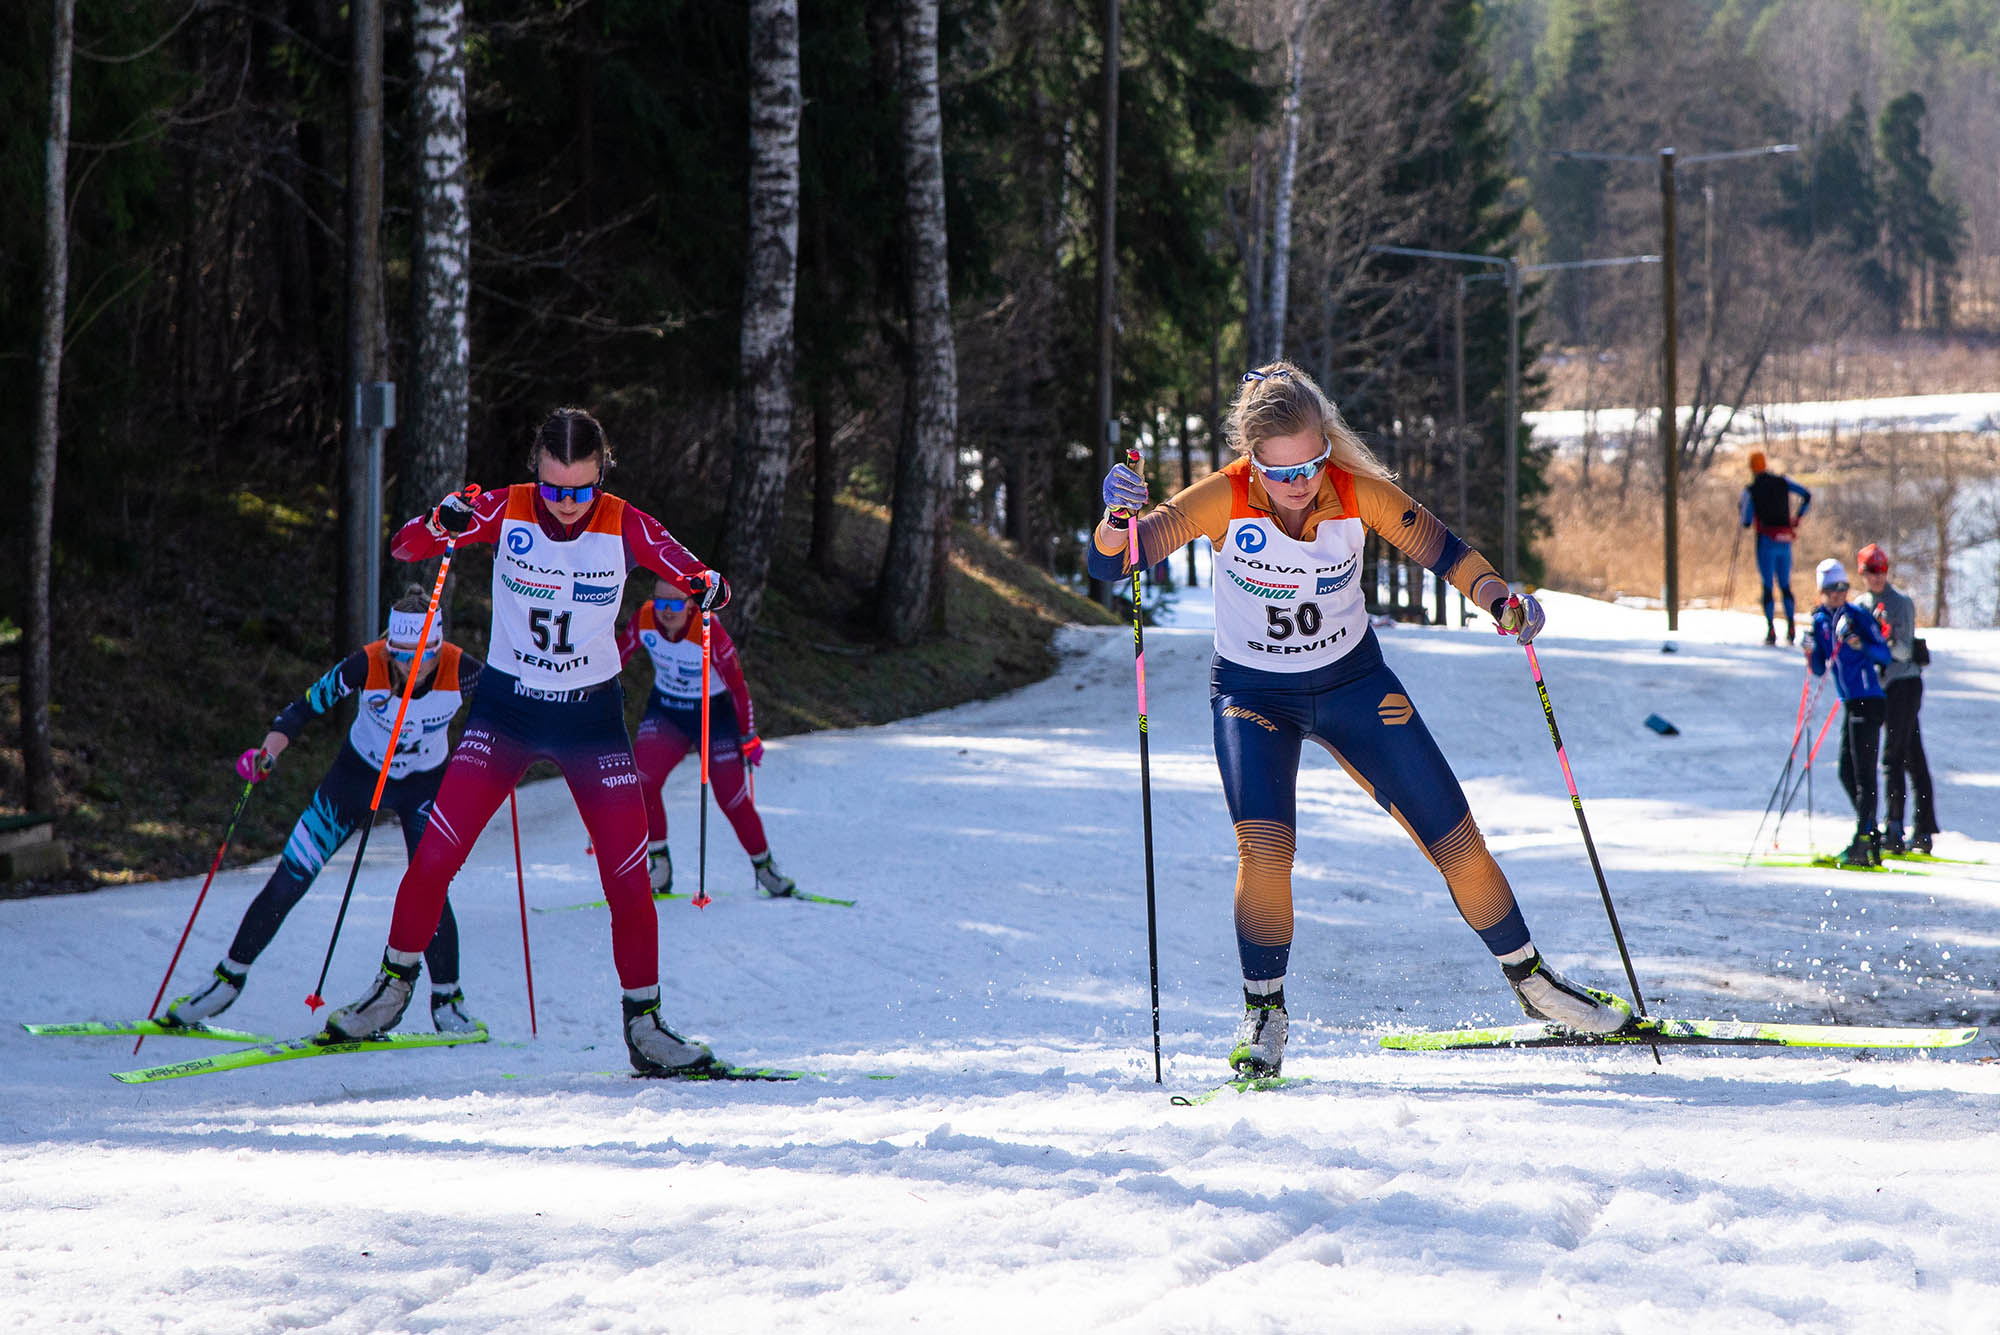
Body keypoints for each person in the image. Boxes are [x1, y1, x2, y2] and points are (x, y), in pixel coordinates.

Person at [1087, 361, 1632, 1078]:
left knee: (1454, 834)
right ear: (1252, 460)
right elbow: (1118, 561)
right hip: (1254, 693)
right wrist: (1116, 519)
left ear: (1327, 445)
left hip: (1354, 683)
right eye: (1280, 472)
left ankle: (1533, 984)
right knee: (1265, 849)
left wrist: (1503, 602)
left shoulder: (1357, 492)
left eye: (1311, 463)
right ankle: (1264, 1014)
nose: (1299, 483)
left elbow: (1448, 554)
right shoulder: (1224, 497)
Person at [319, 407, 732, 1076]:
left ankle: (646, 1025)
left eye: (582, 489)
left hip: (590, 721)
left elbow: (700, 575)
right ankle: (391, 990)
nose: (567, 504)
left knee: (627, 877)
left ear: (602, 476)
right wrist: (441, 519)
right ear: (534, 472)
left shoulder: (624, 522)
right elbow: (405, 547)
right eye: (553, 488)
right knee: (436, 854)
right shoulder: (505, 507)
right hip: (505, 714)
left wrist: (708, 587)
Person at [165, 588, 484, 1033]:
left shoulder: (462, 669)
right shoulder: (367, 662)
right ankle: (227, 980)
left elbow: (503, 713)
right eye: (400, 656)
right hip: (355, 778)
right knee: (292, 872)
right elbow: (302, 709)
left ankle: (447, 1001)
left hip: (423, 785)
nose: (410, 667)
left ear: (438, 648)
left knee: (429, 888)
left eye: (422, 657)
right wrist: (268, 753)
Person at [616, 577, 798, 897]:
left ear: (691, 605)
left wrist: (748, 735)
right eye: (660, 602)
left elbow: (738, 687)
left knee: (731, 798)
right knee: (643, 782)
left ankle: (765, 867)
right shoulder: (644, 618)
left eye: (675, 604)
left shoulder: (708, 630)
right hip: (668, 711)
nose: (666, 611)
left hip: (714, 714)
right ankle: (660, 866)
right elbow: (616, 658)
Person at [1802, 557, 1892, 867]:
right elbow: (1819, 668)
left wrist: (1857, 644)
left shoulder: (1856, 616)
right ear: (1821, 592)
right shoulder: (1821, 621)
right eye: (1831, 590)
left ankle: (1864, 841)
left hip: (1870, 699)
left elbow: (1884, 654)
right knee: (1846, 772)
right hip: (1850, 701)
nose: (1838, 595)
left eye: (1842, 588)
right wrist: (1810, 649)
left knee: (1864, 774)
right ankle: (1870, 833)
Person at [1852, 543, 1937, 855]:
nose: (1877, 576)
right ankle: (1923, 827)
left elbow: (1903, 651)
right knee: (1912, 754)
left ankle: (1895, 826)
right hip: (1882, 686)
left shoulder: (1901, 603)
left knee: (1893, 756)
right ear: (1862, 573)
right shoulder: (1861, 605)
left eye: (1882, 570)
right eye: (1871, 571)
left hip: (1905, 684)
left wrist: (1879, 639)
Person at [1740, 451, 1812, 646]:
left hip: (1765, 541)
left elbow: (1746, 521)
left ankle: (1771, 630)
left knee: (1767, 586)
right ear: (1765, 465)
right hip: (1785, 540)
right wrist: (1798, 516)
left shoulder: (1751, 489)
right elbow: (1807, 495)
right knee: (1785, 585)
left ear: (1751, 468)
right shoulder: (1783, 481)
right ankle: (1791, 627)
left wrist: (1744, 512)